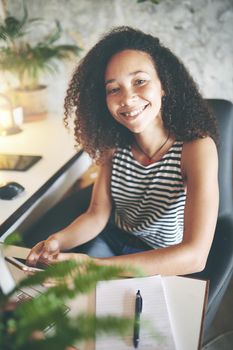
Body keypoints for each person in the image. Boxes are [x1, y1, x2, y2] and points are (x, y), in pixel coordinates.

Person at [26, 26, 219, 276]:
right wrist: (56, 241)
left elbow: (195, 256)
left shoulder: (197, 149)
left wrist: (93, 267)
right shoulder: (112, 145)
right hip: (112, 243)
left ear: (163, 85)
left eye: (139, 81)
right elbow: (96, 214)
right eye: (113, 89)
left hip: (160, 258)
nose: (127, 99)